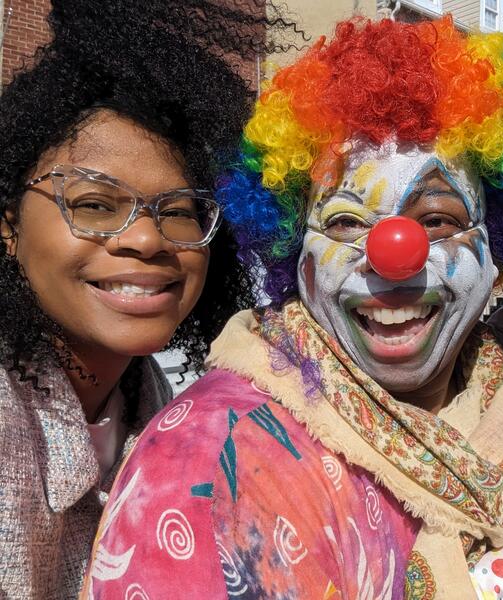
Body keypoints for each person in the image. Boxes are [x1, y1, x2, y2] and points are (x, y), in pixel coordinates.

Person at [83, 16, 503, 600]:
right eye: (344, 221)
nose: (393, 255)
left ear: (499, 258)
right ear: (296, 252)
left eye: (436, 220)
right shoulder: (210, 463)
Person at [0, 0, 296, 597]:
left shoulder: (159, 402)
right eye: (92, 204)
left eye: (180, 212)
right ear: (8, 228)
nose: (145, 238)